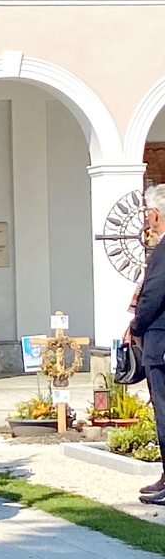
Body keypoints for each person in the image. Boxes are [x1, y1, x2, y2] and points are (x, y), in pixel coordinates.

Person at [128, 184, 165, 506]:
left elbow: (153, 294)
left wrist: (136, 326)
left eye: (147, 215)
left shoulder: (164, 250)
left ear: (155, 215)